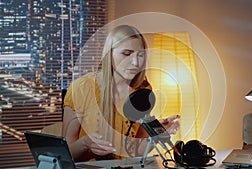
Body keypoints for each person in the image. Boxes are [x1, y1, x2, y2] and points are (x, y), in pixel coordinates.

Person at [63, 25, 180, 162]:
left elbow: (135, 152)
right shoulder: (81, 89)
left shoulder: (142, 91)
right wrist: (85, 144)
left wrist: (155, 135)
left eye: (140, 55)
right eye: (127, 53)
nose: (136, 62)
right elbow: (64, 155)